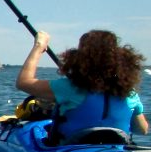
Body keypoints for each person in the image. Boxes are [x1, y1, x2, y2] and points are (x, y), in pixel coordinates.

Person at [16, 29, 149, 143]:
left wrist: (38, 47)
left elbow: (23, 82)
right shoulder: (129, 92)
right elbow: (142, 130)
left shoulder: (69, 87)